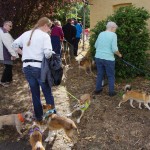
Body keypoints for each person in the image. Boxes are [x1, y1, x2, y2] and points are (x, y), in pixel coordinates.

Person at [12, 17, 55, 121]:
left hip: (27, 67)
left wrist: (24, 54)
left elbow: (14, 45)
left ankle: (39, 117)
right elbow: (48, 54)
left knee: (35, 94)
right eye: (49, 27)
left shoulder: (26, 33)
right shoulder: (44, 36)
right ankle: (51, 118)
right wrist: (52, 54)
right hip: (39, 68)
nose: (49, 30)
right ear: (45, 25)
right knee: (47, 93)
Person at [94, 21, 122, 97]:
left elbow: (96, 45)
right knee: (110, 75)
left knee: (100, 74)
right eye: (115, 28)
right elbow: (114, 49)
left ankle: (97, 89)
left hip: (98, 57)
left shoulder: (101, 34)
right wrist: (119, 54)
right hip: (108, 59)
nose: (115, 30)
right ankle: (111, 92)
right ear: (112, 28)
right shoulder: (113, 35)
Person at [0, 21, 18, 87]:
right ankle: (3, 81)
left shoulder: (4, 31)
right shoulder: (4, 33)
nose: (11, 27)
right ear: (5, 25)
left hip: (6, 52)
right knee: (8, 67)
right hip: (5, 53)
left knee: (9, 66)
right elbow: (8, 45)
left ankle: (9, 80)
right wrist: (13, 54)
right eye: (10, 26)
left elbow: (12, 40)